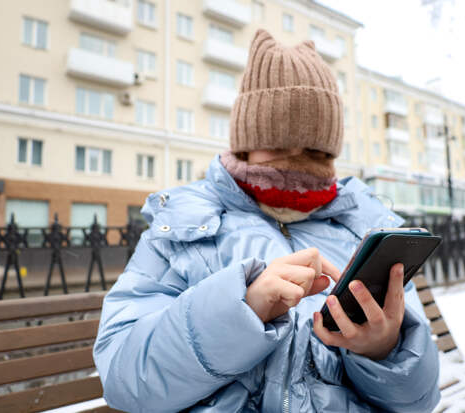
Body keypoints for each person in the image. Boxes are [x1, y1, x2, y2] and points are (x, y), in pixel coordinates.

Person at [93, 29, 440, 412]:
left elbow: (418, 401)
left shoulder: (362, 230)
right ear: (245, 140)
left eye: (314, 149)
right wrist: (242, 309)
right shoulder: (181, 228)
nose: (295, 161)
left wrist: (384, 350)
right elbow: (124, 377)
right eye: (277, 145)